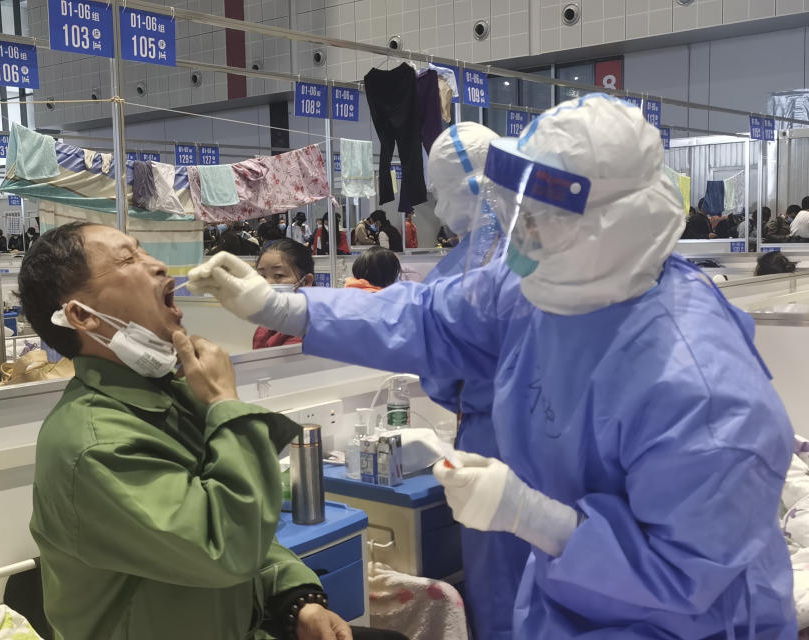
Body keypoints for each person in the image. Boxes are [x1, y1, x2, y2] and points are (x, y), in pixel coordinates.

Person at [187, 95, 796, 638]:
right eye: (518, 213)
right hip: (561, 599)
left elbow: (685, 574)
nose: (519, 237)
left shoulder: (704, 394)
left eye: (542, 219)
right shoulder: (545, 281)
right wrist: (281, 305)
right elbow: (427, 318)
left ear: (615, 225)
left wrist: (535, 517)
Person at [193, 120, 530, 640]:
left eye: (438, 193)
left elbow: (418, 323)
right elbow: (415, 317)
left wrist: (282, 308)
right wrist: (280, 306)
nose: (436, 209)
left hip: (517, 457)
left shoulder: (506, 271)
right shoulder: (513, 263)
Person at [17, 221, 380, 640]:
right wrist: (225, 403)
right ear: (82, 315)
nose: (156, 265)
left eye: (144, 250)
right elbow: (228, 544)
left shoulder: (163, 398)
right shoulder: (95, 446)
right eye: (128, 259)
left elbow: (251, 532)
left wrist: (294, 598)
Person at [253, 239, 315, 349]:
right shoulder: (266, 325)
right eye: (262, 276)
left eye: (279, 275)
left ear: (306, 282)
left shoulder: (308, 333)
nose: (266, 283)